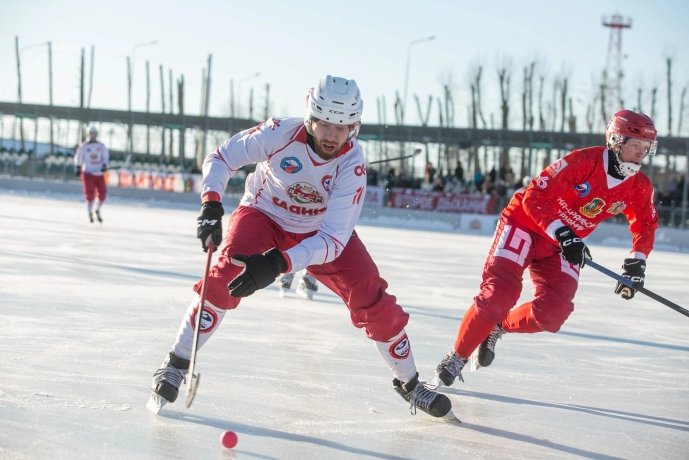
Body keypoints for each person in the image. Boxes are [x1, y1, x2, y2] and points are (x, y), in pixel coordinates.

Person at [148, 75, 451, 418]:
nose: (332, 136)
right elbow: (221, 158)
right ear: (310, 117)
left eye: (343, 127)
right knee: (223, 278)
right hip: (263, 215)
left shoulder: (352, 163)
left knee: (372, 297)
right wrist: (211, 204)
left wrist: (279, 264)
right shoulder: (279, 132)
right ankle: (175, 363)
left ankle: (410, 383)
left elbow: (334, 240)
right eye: (325, 125)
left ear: (355, 126)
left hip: (319, 232)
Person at [433, 109, 659, 387]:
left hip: (564, 244)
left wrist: (637, 261)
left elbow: (645, 224)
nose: (640, 153)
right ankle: (456, 357)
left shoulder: (639, 186)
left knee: (553, 313)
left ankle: (499, 326)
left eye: (646, 148)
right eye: (635, 145)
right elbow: (536, 194)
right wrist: (563, 232)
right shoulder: (584, 161)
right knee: (498, 296)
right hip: (525, 225)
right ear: (615, 140)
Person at [74, 126, 109, 223]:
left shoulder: (101, 146)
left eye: (94, 133)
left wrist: (105, 165)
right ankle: (90, 212)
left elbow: (105, 156)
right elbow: (79, 156)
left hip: (99, 173)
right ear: (88, 134)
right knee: (90, 194)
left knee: (103, 193)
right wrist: (78, 166)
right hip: (88, 173)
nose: (93, 135)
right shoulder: (84, 146)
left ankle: (97, 209)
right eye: (91, 133)